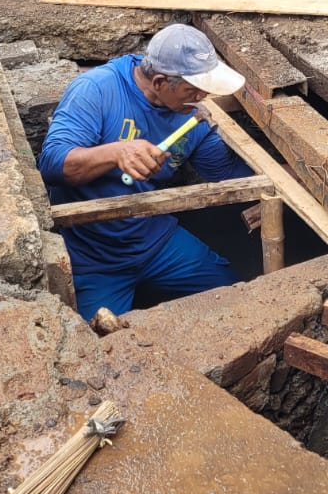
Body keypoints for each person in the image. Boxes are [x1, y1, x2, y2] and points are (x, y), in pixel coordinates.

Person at [38, 24, 252, 321]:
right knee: (103, 345)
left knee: (238, 300)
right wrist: (116, 152)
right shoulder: (97, 90)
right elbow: (52, 164)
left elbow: (226, 172)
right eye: (193, 89)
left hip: (154, 240)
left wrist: (294, 178)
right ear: (161, 82)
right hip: (92, 256)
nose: (201, 97)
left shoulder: (190, 114)